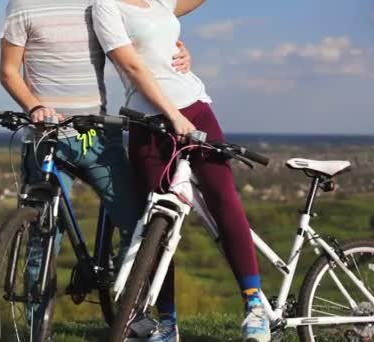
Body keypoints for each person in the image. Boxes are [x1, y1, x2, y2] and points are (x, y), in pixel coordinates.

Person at [0, 0, 192, 337]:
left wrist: (177, 49)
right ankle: (34, 331)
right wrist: (34, 106)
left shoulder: (102, 3)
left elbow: (152, 24)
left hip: (99, 136)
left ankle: (134, 313)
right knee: (42, 241)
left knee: (136, 225)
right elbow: (9, 71)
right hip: (47, 138)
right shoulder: (23, 5)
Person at [92, 1, 270, 341]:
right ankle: (167, 321)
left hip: (196, 110)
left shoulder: (160, 1)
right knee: (156, 222)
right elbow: (130, 65)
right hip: (150, 122)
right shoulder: (106, 6)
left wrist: (183, 57)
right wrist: (172, 115)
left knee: (223, 200)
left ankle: (254, 306)